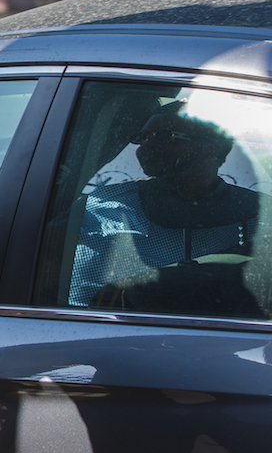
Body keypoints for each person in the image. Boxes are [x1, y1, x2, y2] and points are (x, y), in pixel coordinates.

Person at [69, 104, 262, 310]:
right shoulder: (106, 204)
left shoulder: (258, 213)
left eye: (164, 136)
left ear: (211, 148)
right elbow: (63, 293)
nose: (144, 147)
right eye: (141, 138)